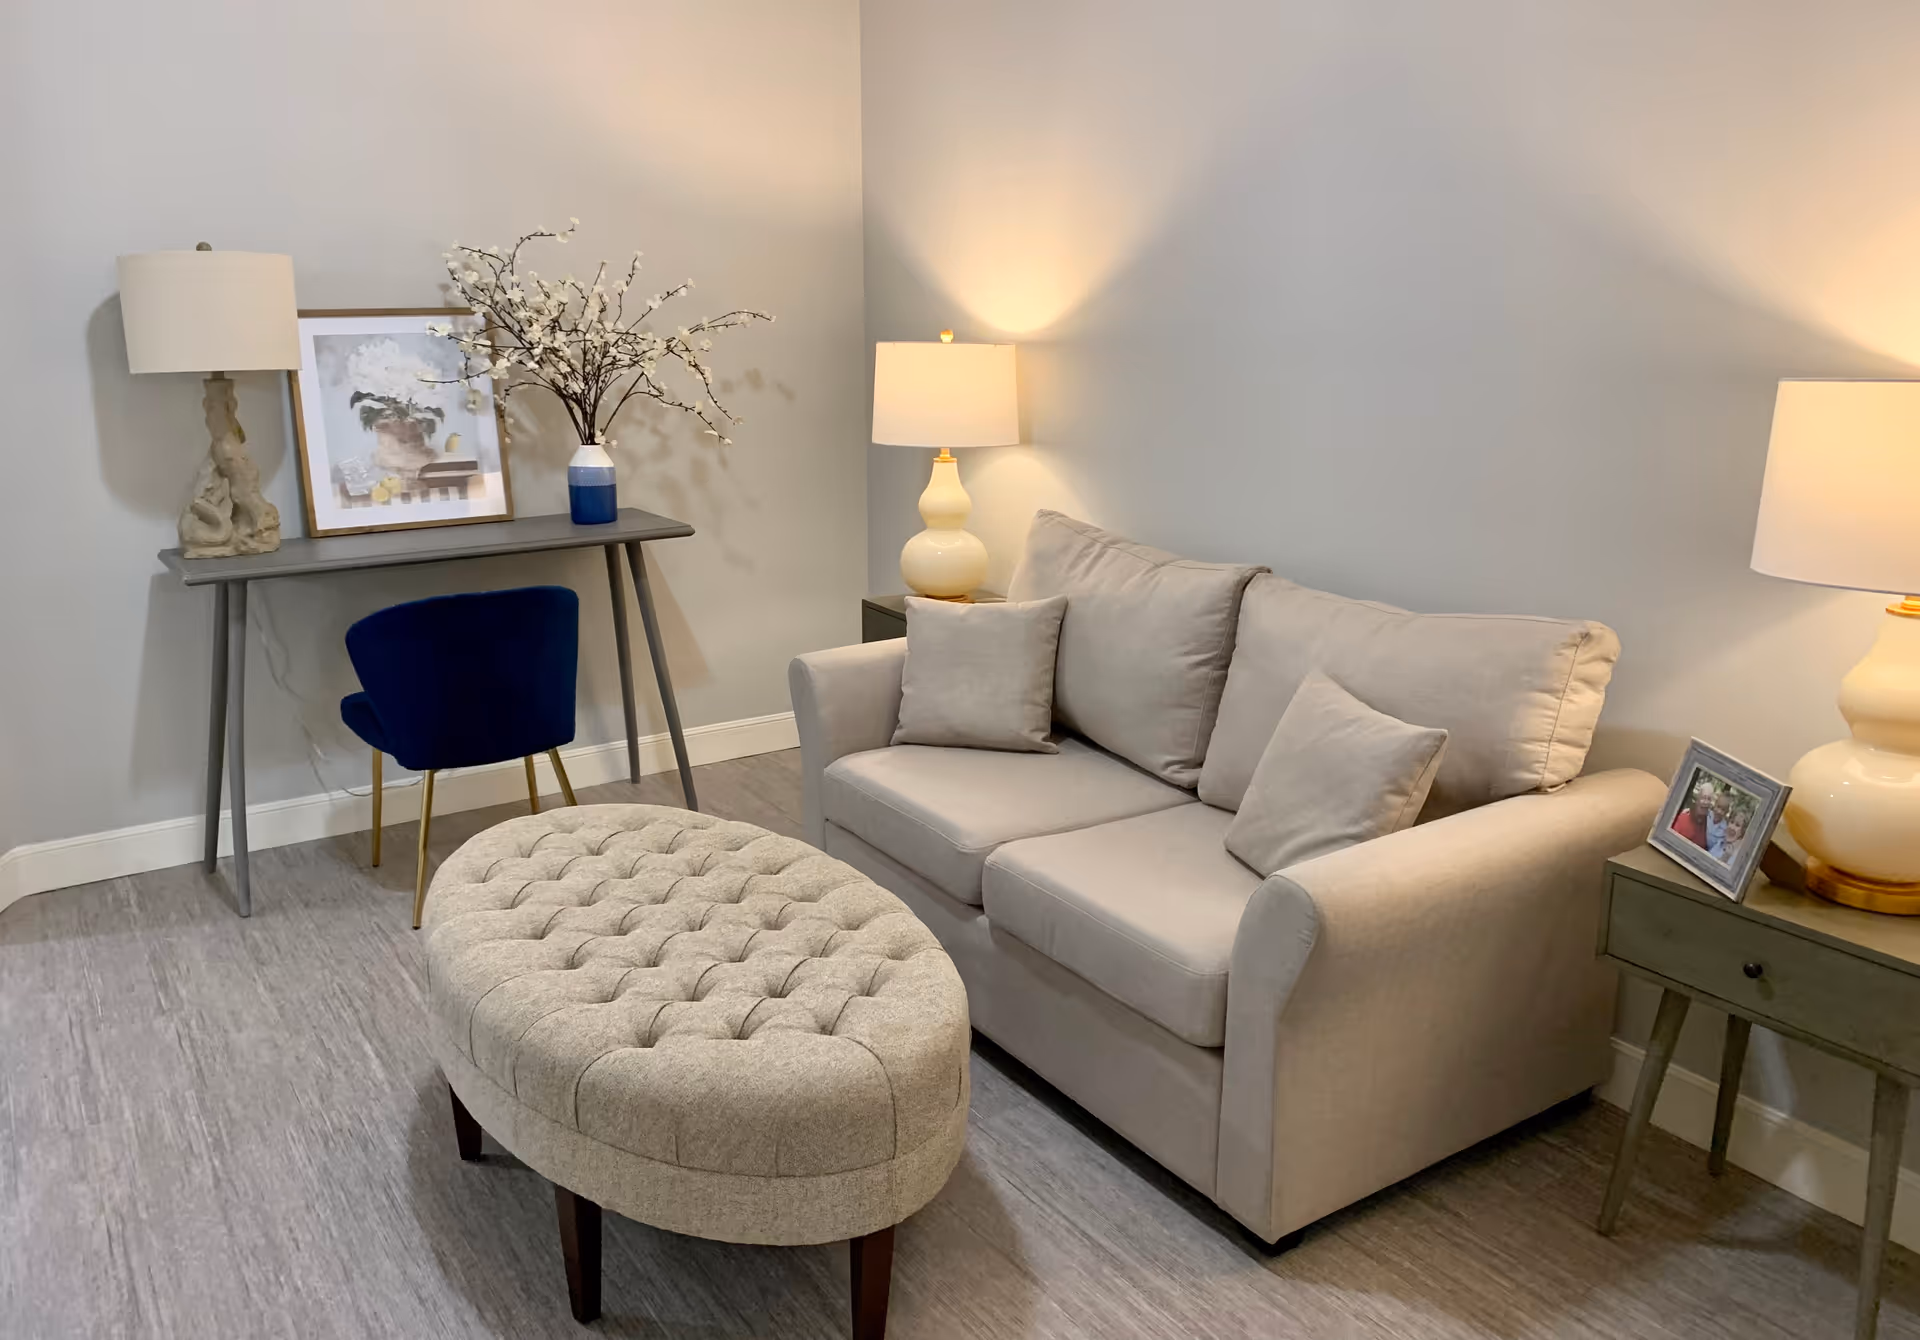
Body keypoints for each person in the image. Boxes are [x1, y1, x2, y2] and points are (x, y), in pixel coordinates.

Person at [1671, 778, 1713, 849]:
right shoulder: (1684, 817)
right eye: (1703, 798)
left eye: (1709, 799)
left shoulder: (1709, 824)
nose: (1705, 802)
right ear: (1697, 800)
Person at [1707, 787, 1733, 861]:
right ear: (1715, 804)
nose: (1719, 811)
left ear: (1727, 812)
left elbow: (1717, 849)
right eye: (1718, 807)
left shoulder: (1724, 829)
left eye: (1723, 810)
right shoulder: (1706, 815)